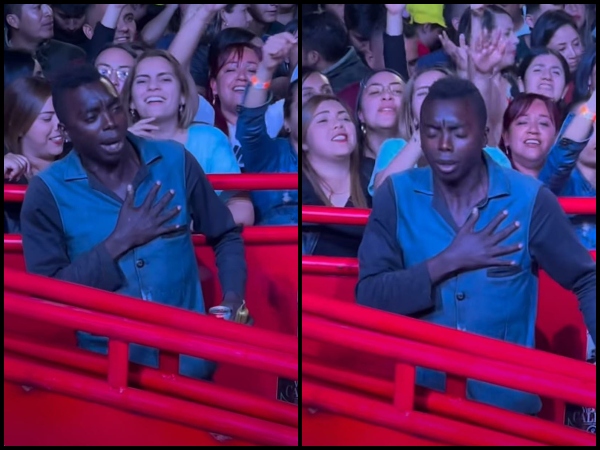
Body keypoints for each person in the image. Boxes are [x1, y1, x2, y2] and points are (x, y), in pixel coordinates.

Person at [356, 77, 596, 415]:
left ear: (484, 136)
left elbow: (586, 279)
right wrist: (448, 261)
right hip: (420, 409)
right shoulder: (395, 196)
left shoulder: (529, 200)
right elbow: (369, 296)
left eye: (457, 132)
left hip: (507, 413)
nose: (443, 145)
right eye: (431, 131)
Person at [20, 65, 247, 381]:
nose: (110, 123)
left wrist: (234, 297)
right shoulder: (47, 192)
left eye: (115, 109)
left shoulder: (175, 160)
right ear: (67, 130)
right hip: (106, 377)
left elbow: (226, 234)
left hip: (189, 368)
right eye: (91, 118)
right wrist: (121, 240)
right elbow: (47, 296)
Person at [4, 4, 86, 77]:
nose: (49, 12)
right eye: (38, 7)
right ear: (13, 21)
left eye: (49, 5)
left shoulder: (71, 55)